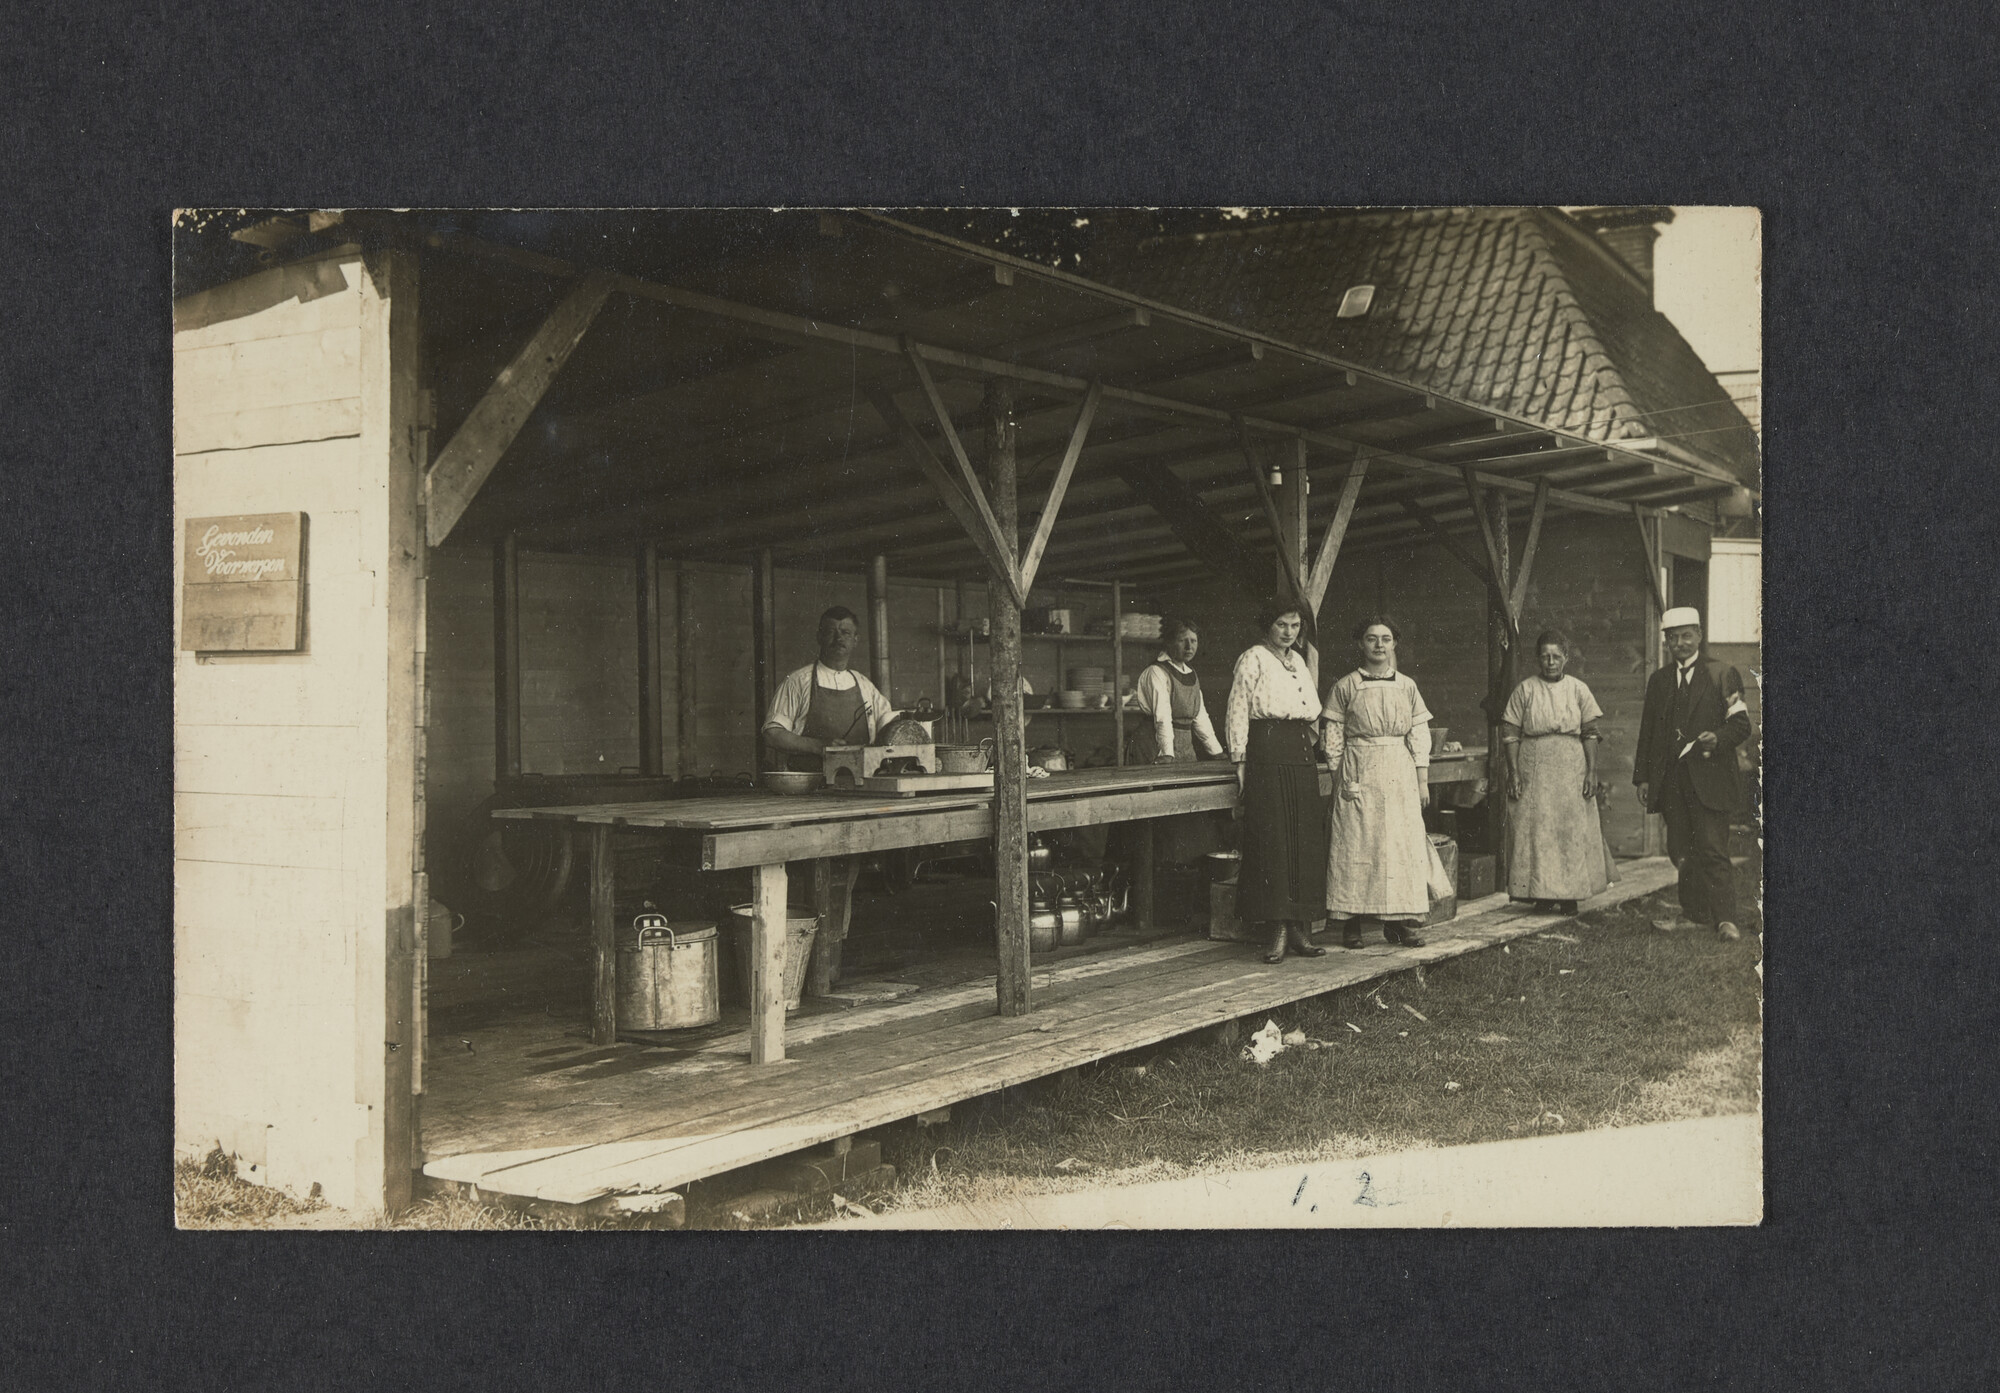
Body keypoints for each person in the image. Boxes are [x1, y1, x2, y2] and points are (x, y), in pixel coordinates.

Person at [1322, 617, 1451, 949]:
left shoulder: (1407, 686)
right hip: (1358, 769)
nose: (1379, 645)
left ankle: (1399, 923)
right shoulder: (1346, 686)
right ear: (1360, 644)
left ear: (1395, 644)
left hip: (1398, 772)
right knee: (1357, 844)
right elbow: (1333, 737)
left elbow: (1419, 735)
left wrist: (1422, 780)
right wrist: (1340, 777)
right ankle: (1350, 922)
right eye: (1371, 639)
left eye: (1386, 639)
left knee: (1398, 847)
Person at [1633, 606, 1754, 940]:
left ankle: (1726, 919)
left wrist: (1718, 739)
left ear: (1699, 635)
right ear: (1666, 642)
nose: (1680, 643)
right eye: (1673, 638)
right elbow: (1648, 733)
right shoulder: (1658, 681)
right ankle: (1695, 913)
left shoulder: (1722, 673)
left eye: (1687, 635)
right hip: (1673, 783)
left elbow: (1741, 724)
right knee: (1680, 850)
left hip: (1710, 780)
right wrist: (1643, 777)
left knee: (1713, 848)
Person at [1224, 600, 1329, 964]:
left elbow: (1311, 710)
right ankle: (1277, 929)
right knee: (1274, 839)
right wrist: (1240, 760)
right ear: (1268, 625)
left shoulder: (1298, 661)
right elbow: (1238, 709)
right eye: (1282, 625)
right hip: (1266, 748)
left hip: (1299, 749)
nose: (1289, 632)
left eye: (1295, 626)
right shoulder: (1253, 658)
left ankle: (1299, 927)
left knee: (1303, 838)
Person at [1500, 629, 1619, 914]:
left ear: (1565, 658)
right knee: (1538, 829)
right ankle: (1541, 894)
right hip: (1535, 767)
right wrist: (1514, 772)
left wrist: (1591, 772)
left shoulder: (1578, 690)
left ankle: (1569, 896)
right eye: (1545, 657)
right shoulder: (1525, 690)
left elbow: (1590, 732)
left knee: (1570, 828)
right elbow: (1510, 733)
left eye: (1556, 656)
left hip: (1571, 766)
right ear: (1538, 659)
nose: (1550, 662)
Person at [1126, 619, 1226, 865]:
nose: (1189, 646)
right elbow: (1162, 715)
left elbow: (1200, 717)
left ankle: (1178, 870)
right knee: (1156, 814)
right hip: (1153, 746)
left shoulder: (1191, 674)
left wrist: (1218, 752)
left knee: (1183, 815)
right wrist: (1167, 754)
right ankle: (1155, 868)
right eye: (1183, 640)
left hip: (1183, 745)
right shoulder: (1156, 672)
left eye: (1193, 641)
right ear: (1169, 642)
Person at [762, 606, 898, 771]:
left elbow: (891, 729)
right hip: (809, 789)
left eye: (845, 633)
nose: (838, 638)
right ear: (819, 637)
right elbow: (772, 734)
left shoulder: (865, 686)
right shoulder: (797, 681)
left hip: (860, 787)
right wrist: (817, 746)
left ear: (855, 640)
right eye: (830, 632)